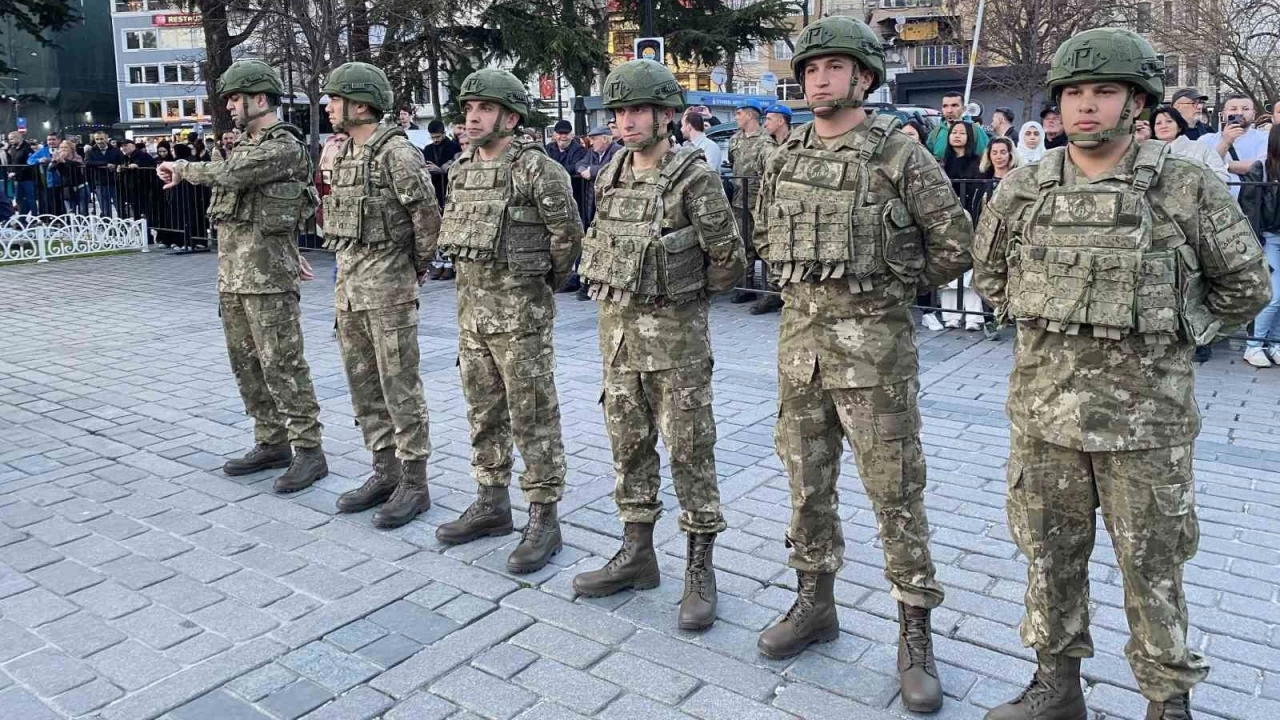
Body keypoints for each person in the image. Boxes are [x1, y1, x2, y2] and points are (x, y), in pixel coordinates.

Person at [972, 28, 1271, 720]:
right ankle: (1056, 687)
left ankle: (1167, 701)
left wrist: (1173, 330)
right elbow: (990, 274)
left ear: (1137, 101)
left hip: (1146, 427)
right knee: (1049, 557)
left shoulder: (1184, 184)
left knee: (1153, 569)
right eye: (1074, 93)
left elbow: (1246, 285)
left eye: (1104, 91)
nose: (1086, 106)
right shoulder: (1025, 186)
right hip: (1045, 419)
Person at [752, 16, 972, 713]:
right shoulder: (784, 156)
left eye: (835, 68)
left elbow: (955, 243)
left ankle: (915, 635)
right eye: (811, 70)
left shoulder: (899, 155)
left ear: (865, 77)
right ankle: (814, 604)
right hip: (801, 358)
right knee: (806, 489)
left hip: (875, 362)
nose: (819, 80)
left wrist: (889, 288)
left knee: (896, 498)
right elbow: (763, 231)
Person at [571, 58, 746, 632]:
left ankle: (700, 568)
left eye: (639, 110)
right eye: (619, 111)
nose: (626, 121)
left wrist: (682, 296)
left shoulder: (693, 176)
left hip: (676, 346)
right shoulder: (612, 171)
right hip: (618, 342)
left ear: (667, 114)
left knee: (691, 454)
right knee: (629, 449)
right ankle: (637, 553)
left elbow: (729, 259)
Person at [433, 69, 584, 571]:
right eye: (468, 109)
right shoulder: (461, 168)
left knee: (533, 416)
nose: (472, 117)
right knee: (483, 412)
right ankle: (491, 502)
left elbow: (567, 235)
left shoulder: (536, 169)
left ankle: (544, 517)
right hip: (471, 317)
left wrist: (540, 287)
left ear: (511, 118)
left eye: (485, 109)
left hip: (520, 318)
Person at [156, 60, 328, 494]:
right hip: (233, 278)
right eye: (229, 99)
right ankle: (271, 441)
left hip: (268, 281)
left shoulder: (282, 146)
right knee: (246, 366)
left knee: (283, 365)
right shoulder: (244, 146)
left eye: (236, 98)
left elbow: (233, 175)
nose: (230, 106)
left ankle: (310, 450)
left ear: (260, 99)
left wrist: (183, 168)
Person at [317, 63, 439, 528]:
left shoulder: (396, 154)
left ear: (361, 104)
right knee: (364, 386)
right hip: (349, 292)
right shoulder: (347, 152)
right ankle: (384, 471)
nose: (329, 106)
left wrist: (414, 269)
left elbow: (427, 218)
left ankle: (414, 482)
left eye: (336, 99)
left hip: (388, 292)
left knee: (400, 389)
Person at [727, 98, 772, 309]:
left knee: (764, 244)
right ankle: (746, 286)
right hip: (739, 200)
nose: (736, 117)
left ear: (751, 114)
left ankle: (770, 290)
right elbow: (732, 163)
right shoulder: (735, 139)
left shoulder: (766, 139)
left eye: (739, 113)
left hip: (759, 201)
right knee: (743, 244)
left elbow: (770, 170)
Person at [939, 121, 984, 331]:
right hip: (946, 221)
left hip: (970, 219)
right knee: (948, 268)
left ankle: (974, 317)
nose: (957, 136)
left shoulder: (977, 163)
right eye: (953, 132)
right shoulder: (942, 163)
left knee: (970, 268)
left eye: (962, 133)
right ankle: (950, 315)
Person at [1243, 124, 1280, 368]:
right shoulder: (1261, 170)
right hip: (1268, 237)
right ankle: (1254, 345)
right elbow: (1249, 208)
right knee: (1273, 296)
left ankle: (1274, 343)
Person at [1150, 106, 1229, 185]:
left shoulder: (1201, 148)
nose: (1164, 126)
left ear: (1179, 127)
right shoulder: (1148, 152)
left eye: (1169, 121)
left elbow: (1222, 177)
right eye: (1158, 123)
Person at [927, 90, 989, 159]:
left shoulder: (976, 131)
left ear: (963, 109)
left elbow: (986, 158)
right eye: (945, 106)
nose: (949, 110)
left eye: (954, 105)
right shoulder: (935, 133)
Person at [85, 132, 124, 216]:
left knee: (120, 207)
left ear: (106, 139)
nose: (99, 141)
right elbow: (87, 163)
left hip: (115, 182)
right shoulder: (90, 151)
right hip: (100, 182)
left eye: (101, 139)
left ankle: (123, 222)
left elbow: (122, 162)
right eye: (97, 139)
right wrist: (105, 164)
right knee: (105, 209)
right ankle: (107, 223)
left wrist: (117, 166)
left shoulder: (116, 151)